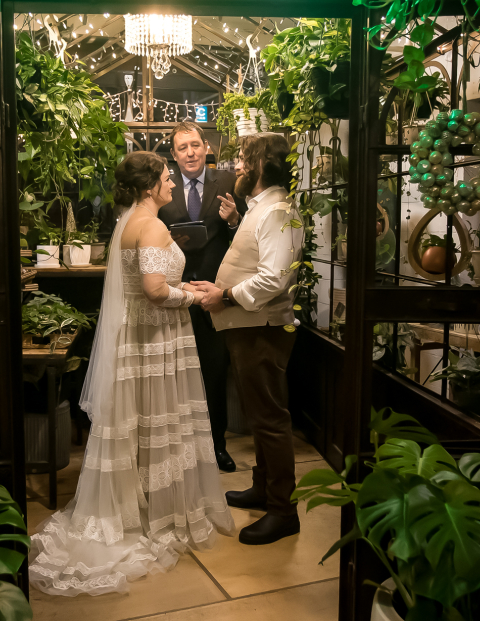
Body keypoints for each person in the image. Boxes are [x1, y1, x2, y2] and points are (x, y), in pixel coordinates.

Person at [29, 151, 235, 596]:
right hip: (156, 342)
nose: (174, 184)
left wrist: (187, 286)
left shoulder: (127, 222)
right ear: (149, 188)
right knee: (158, 425)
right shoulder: (154, 225)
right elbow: (154, 291)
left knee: (138, 427)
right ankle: (158, 516)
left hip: (136, 342)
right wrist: (195, 299)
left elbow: (149, 284)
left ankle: (137, 507)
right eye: (166, 178)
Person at [192, 133, 303, 546]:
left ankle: (282, 510)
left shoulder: (277, 211)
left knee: (271, 420)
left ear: (260, 166)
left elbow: (276, 278)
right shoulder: (261, 208)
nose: (236, 165)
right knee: (259, 416)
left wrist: (222, 295)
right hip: (248, 328)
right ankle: (263, 488)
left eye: (242, 159)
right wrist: (217, 285)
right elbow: (255, 262)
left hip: (263, 330)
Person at [159, 121, 246, 473]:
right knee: (173, 374)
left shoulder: (227, 184)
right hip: (174, 292)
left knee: (213, 371)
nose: (191, 153)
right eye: (183, 148)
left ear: (206, 147)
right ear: (174, 156)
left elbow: (244, 237)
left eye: (195, 145)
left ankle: (217, 447)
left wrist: (233, 219)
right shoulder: (162, 189)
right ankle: (177, 451)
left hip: (214, 294)